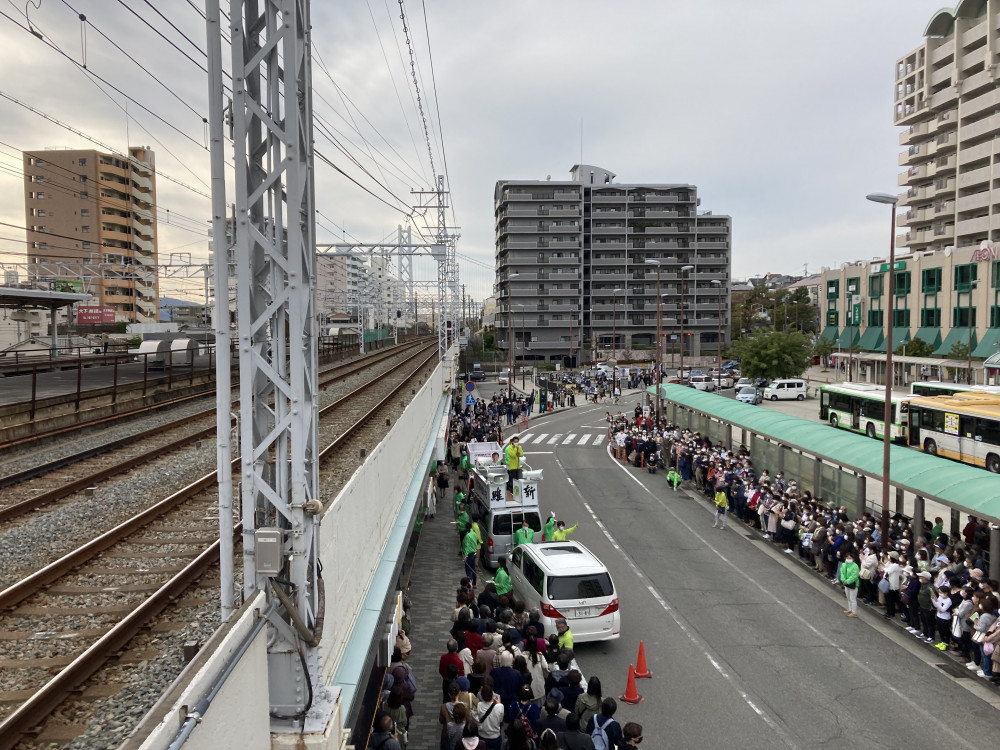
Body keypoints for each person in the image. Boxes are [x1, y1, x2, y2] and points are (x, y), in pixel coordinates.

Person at [475, 683, 505, 750]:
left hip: (482, 736)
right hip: (495, 737)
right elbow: (500, 721)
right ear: (492, 695)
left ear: (482, 696)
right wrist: (499, 703)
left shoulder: (479, 705)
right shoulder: (500, 706)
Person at [839, 550, 860, 617]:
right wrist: (843, 580)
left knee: (852, 598)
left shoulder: (855, 566)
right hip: (846, 583)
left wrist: (847, 581)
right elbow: (842, 572)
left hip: (853, 584)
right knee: (848, 597)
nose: (848, 559)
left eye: (850, 558)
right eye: (847, 558)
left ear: (853, 559)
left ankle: (854, 612)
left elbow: (854, 576)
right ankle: (850, 609)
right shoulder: (844, 564)